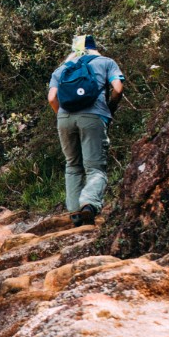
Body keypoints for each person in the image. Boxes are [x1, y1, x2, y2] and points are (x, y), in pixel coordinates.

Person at [49, 32, 125, 226]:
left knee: (72, 165)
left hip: (64, 118)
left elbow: (51, 98)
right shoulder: (106, 62)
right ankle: (89, 205)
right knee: (95, 168)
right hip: (93, 116)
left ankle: (75, 213)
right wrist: (110, 107)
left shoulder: (62, 69)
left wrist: (62, 116)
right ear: (94, 46)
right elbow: (117, 88)